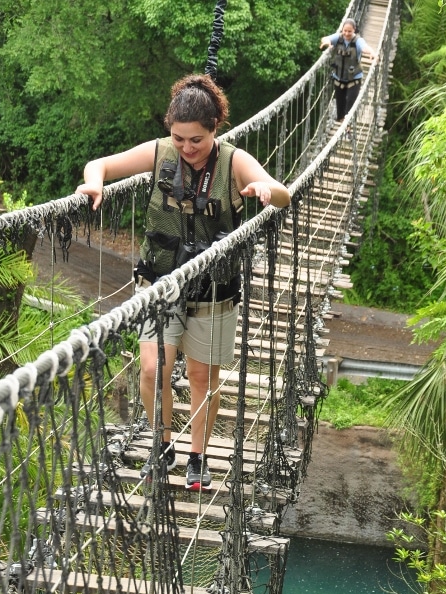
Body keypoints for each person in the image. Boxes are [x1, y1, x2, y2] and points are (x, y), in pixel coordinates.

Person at [77, 74, 291, 491]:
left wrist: (266, 188)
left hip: (214, 291)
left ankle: (197, 456)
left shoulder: (233, 160)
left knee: (200, 378)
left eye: (196, 140)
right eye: (179, 138)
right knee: (153, 369)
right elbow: (100, 164)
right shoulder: (161, 153)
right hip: (159, 284)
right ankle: (161, 447)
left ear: (215, 129)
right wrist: (94, 183)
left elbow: (282, 193)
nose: (187, 148)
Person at [320, 19, 378, 124]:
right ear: (342, 29)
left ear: (354, 30)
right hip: (339, 79)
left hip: (354, 79)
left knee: (349, 108)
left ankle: (348, 126)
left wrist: (372, 53)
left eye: (349, 31)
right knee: (340, 111)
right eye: (345, 31)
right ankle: (342, 124)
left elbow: (365, 47)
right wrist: (327, 42)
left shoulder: (358, 41)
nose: (346, 33)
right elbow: (326, 38)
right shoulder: (338, 37)